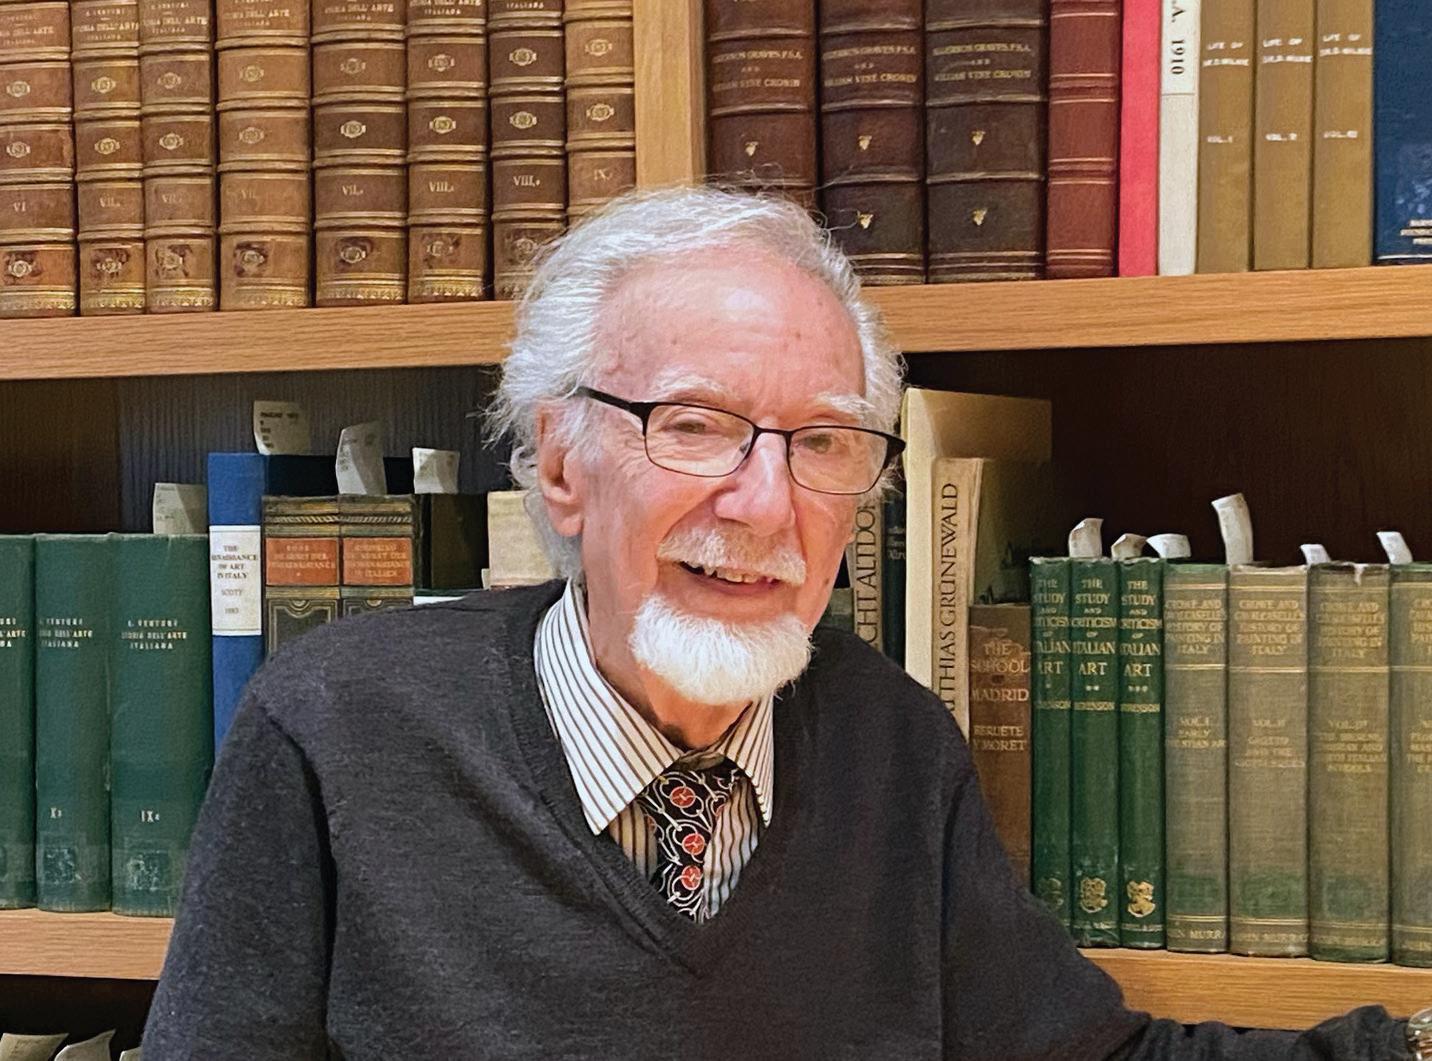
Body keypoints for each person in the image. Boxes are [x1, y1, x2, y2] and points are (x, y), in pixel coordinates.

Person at [142, 186, 1419, 1060]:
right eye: (695, 425)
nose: (766, 503)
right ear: (563, 466)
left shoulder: (888, 745)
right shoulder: (338, 729)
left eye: (822, 441)